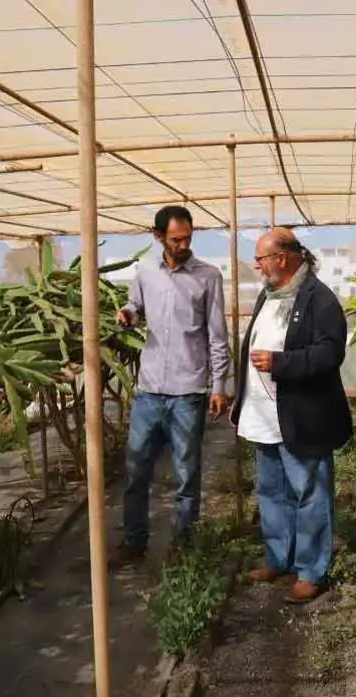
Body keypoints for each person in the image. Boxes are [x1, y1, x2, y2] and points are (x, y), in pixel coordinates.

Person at [230, 227, 353, 603]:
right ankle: (278, 558)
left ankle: (311, 571)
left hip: (302, 417)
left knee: (310, 494)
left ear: (282, 259)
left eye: (261, 260)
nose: (258, 266)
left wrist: (281, 363)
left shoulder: (319, 299)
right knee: (271, 491)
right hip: (265, 415)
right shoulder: (271, 297)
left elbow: (330, 353)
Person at [112, 205, 231, 567]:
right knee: (135, 472)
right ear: (159, 236)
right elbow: (136, 306)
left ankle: (182, 548)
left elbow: (217, 336)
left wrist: (219, 385)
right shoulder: (146, 271)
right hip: (149, 390)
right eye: (177, 239)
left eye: (188, 238)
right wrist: (128, 314)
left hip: (188, 391)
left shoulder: (208, 276)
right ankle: (134, 543)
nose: (184, 244)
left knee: (186, 476)